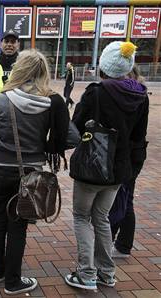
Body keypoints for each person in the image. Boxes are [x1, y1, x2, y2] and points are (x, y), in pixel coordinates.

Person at [0, 49, 69, 295]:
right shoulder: (52, 102)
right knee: (17, 226)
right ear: (42, 72)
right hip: (29, 174)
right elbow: (66, 139)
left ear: (18, 69)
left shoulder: (0, 100)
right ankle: (13, 281)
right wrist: (44, 147)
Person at [66, 42, 149, 290]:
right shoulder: (141, 96)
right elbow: (139, 138)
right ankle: (106, 272)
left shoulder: (96, 93)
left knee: (82, 217)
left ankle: (87, 272)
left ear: (104, 65)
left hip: (92, 167)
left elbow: (76, 127)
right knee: (101, 218)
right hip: (119, 170)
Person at [110, 64, 149, 258]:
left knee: (118, 199)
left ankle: (117, 242)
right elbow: (141, 131)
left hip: (123, 154)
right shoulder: (142, 95)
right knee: (126, 198)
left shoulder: (118, 94)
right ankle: (123, 245)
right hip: (136, 153)